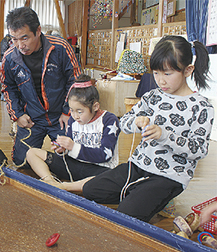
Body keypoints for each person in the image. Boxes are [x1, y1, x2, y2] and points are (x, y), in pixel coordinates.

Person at [78, 35, 214, 222]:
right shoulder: (153, 97)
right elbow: (123, 123)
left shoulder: (202, 106)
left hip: (170, 176)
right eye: (156, 73)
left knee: (126, 215)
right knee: (91, 190)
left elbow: (198, 150)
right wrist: (136, 122)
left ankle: (153, 196)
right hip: (139, 166)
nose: (161, 80)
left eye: (168, 74)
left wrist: (164, 135)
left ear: (188, 70)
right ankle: (141, 193)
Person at [1, 6, 81, 167]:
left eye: (24, 38)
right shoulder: (9, 58)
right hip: (32, 118)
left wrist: (68, 112)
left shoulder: (60, 48)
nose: (19, 45)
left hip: (61, 116)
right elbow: (8, 88)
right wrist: (17, 115)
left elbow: (76, 81)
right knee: (22, 163)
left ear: (38, 31)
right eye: (14, 39)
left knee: (72, 162)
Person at [26, 74, 120, 190]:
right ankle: (50, 181)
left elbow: (105, 155)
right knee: (31, 153)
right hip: (74, 165)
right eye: (71, 110)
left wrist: (73, 147)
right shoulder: (72, 120)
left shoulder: (109, 120)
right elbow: (70, 149)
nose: (75, 116)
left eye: (80, 111)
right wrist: (62, 149)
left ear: (95, 106)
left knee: (109, 179)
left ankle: (64, 186)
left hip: (99, 169)